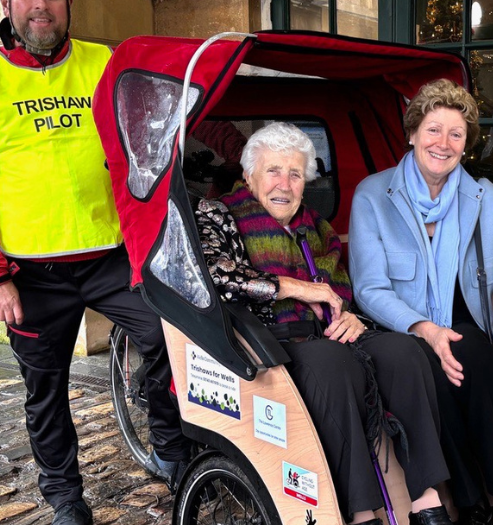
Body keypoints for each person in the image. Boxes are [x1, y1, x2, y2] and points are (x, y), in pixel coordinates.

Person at [0, 0, 189, 525]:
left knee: (165, 340)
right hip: (28, 273)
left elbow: (161, 123)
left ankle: (171, 449)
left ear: (68, 3)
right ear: (6, 2)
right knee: (45, 391)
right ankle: (64, 499)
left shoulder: (103, 63)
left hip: (112, 259)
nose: (40, 5)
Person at [195, 122, 454, 525]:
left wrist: (350, 316)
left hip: (330, 334)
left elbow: (340, 289)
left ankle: (426, 497)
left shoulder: (316, 225)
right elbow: (218, 276)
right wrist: (297, 288)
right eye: (273, 171)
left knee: (405, 352)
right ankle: (359, 511)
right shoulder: (219, 214)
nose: (285, 184)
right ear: (249, 176)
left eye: (295, 174)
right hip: (266, 341)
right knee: (332, 365)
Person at [348, 79, 493, 525]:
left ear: (466, 144)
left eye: (455, 134)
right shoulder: (373, 195)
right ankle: (471, 504)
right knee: (432, 374)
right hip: (401, 329)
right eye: (433, 130)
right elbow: (369, 288)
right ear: (412, 133)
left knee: (478, 360)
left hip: (462, 321)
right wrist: (425, 329)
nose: (443, 143)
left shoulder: (483, 198)